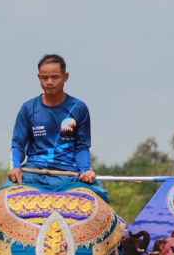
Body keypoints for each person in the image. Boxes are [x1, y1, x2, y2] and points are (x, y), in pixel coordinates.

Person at [7, 53, 105, 199]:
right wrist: (15, 167)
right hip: (33, 174)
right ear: (39, 78)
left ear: (66, 77)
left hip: (69, 176)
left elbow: (82, 146)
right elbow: (18, 144)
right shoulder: (28, 108)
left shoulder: (78, 108)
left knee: (98, 201)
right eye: (44, 78)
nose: (49, 82)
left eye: (55, 77)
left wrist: (86, 170)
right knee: (1, 200)